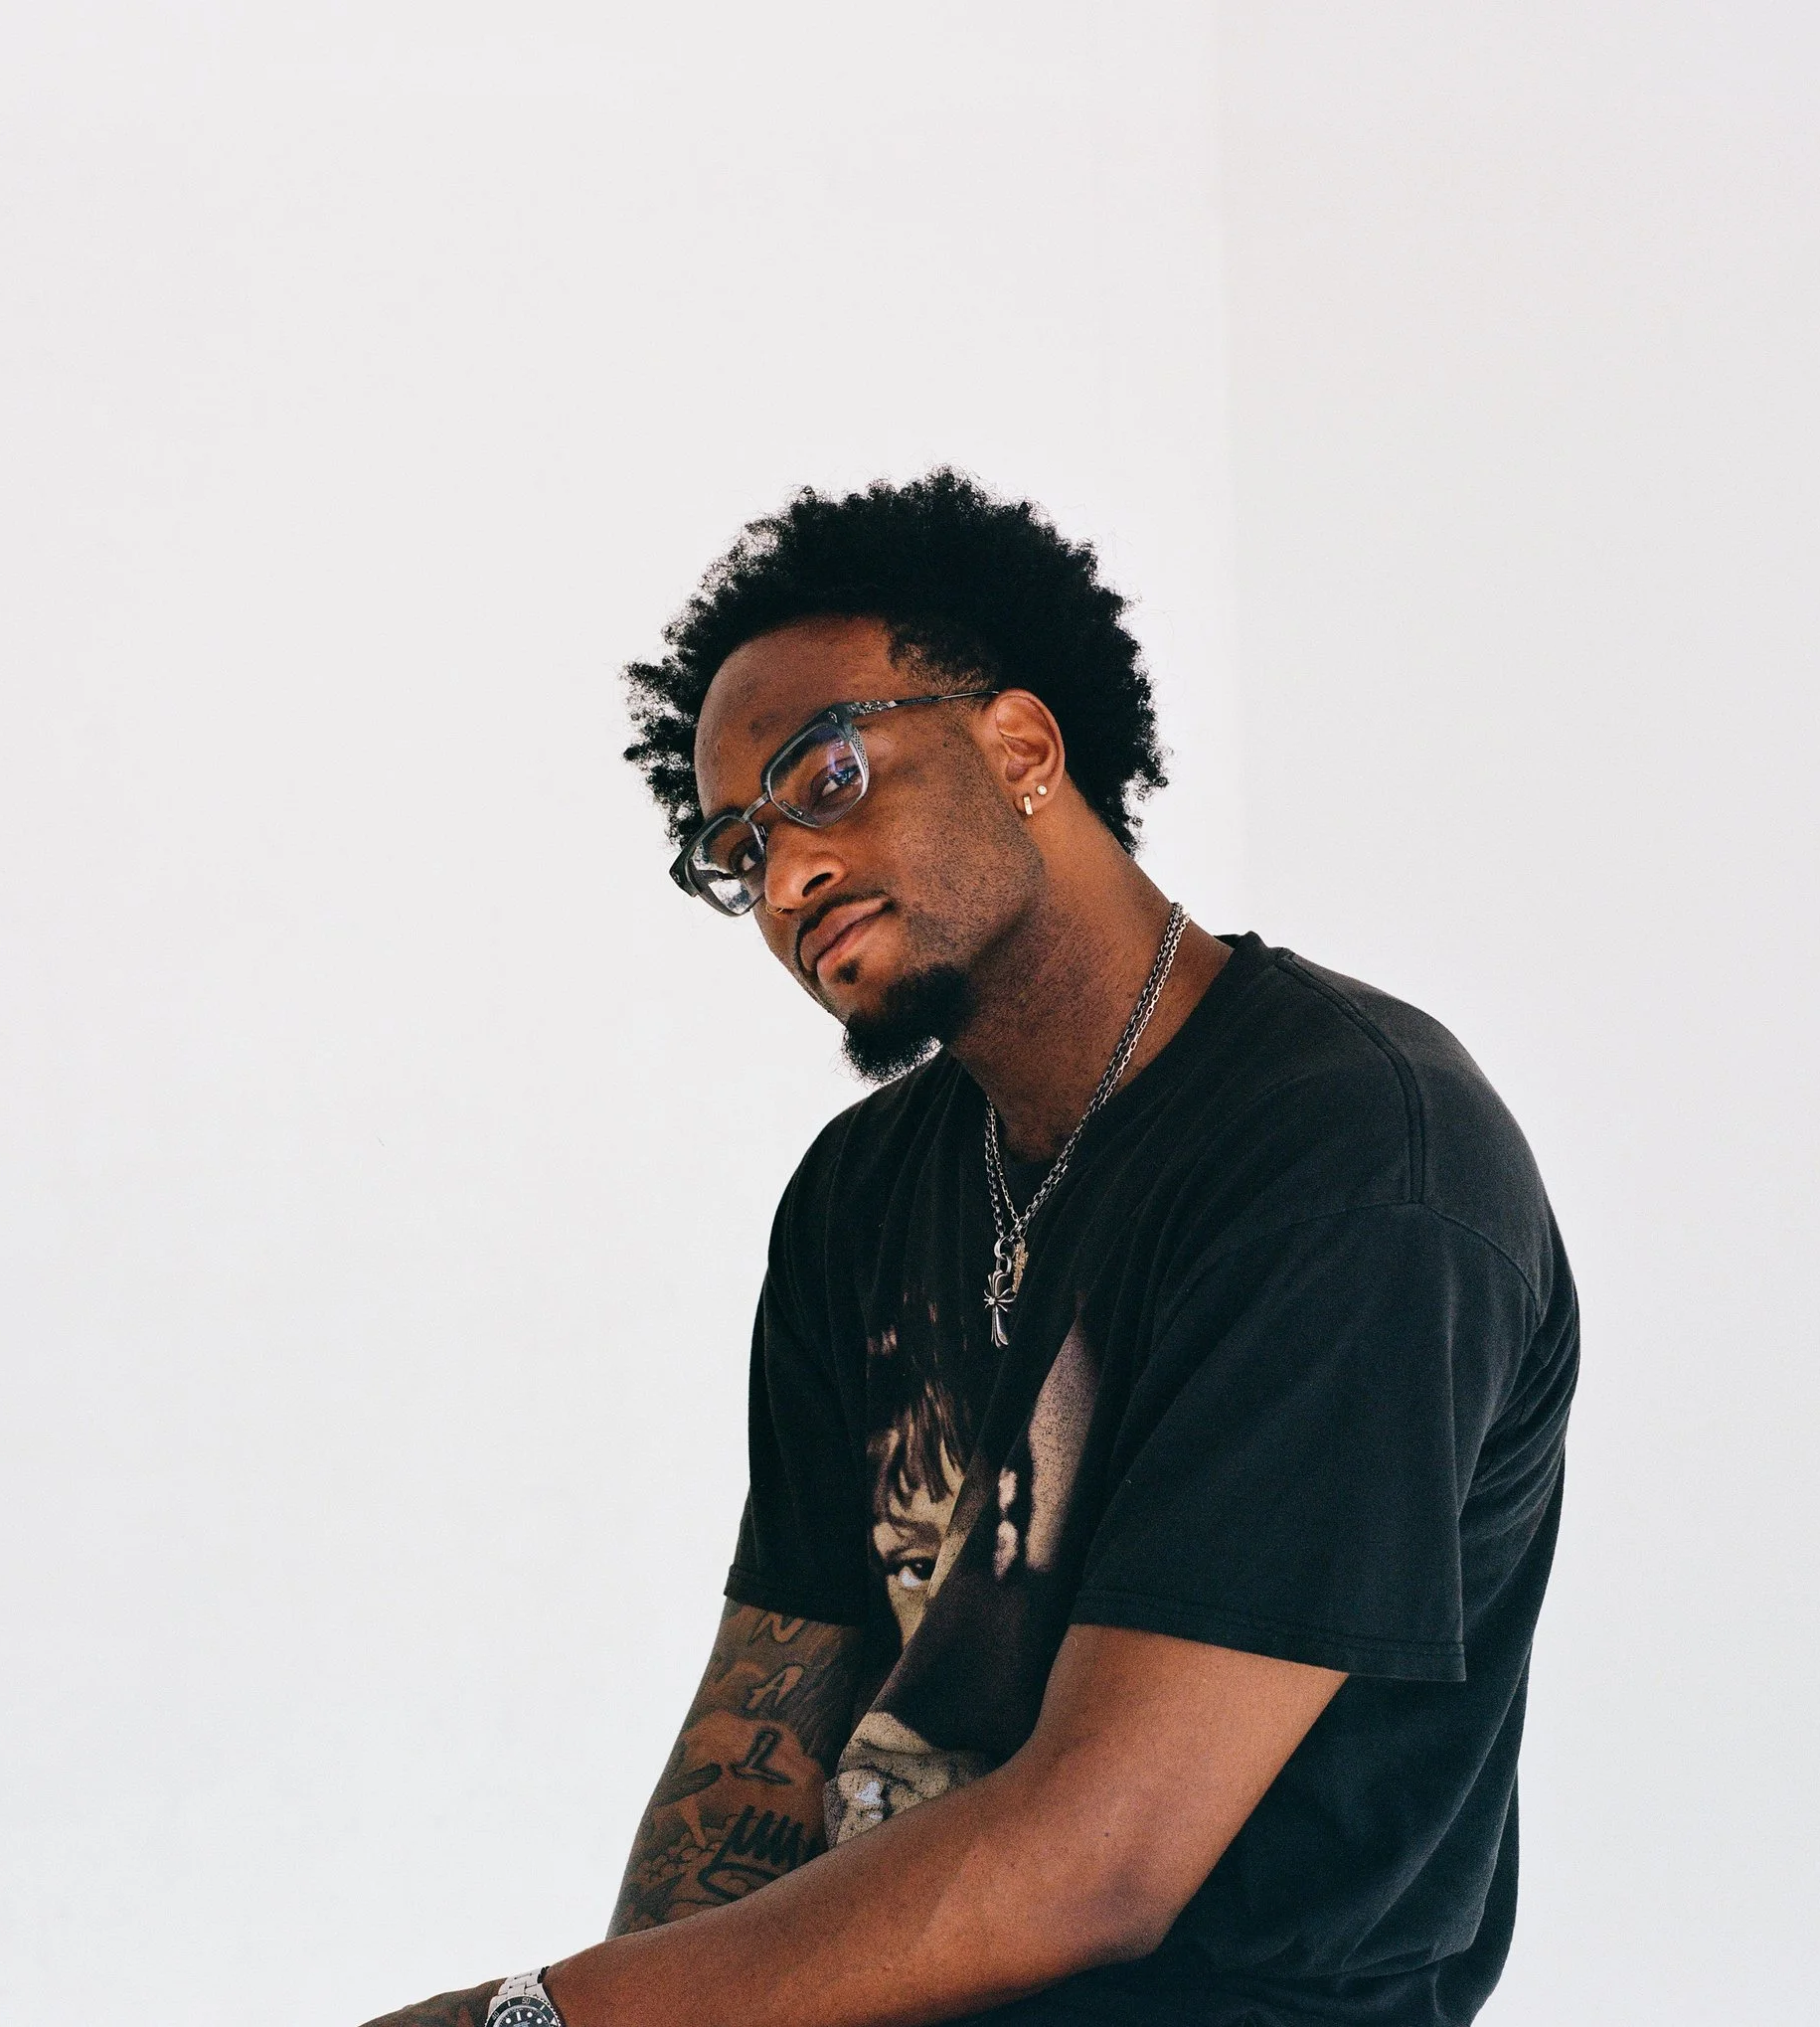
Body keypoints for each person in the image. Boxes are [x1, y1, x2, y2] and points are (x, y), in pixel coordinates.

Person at [361, 471, 1578, 2027]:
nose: (783, 876)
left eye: (825, 777)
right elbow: (760, 1741)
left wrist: (537, 2017)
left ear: (1021, 748)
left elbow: (1102, 1856)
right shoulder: (860, 1195)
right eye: (735, 846)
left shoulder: (1358, 1155)